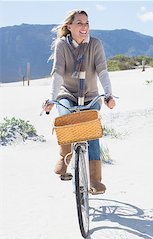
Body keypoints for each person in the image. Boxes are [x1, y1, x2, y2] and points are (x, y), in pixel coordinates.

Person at [42, 9, 116, 195]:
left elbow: (103, 72)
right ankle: (64, 158)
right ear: (69, 26)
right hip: (67, 94)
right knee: (66, 119)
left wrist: (108, 95)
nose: (84, 27)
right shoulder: (62, 45)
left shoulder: (95, 44)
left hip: (91, 96)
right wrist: (52, 98)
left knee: (91, 132)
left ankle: (95, 180)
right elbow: (58, 73)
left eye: (87, 23)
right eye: (79, 23)